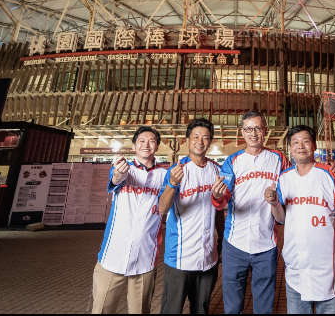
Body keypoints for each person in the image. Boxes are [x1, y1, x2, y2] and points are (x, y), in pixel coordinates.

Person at [265, 125, 335, 314]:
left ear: (314, 145)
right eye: (295, 142)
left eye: (305, 141)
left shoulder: (331, 175)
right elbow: (281, 219)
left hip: (329, 269)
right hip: (296, 270)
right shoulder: (284, 178)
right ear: (290, 148)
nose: (300, 146)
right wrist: (274, 203)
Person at [210, 110, 289, 314]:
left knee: (264, 305)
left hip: (267, 244)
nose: (253, 133)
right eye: (248, 129)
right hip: (235, 243)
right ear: (242, 133)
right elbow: (222, 199)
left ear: (265, 131)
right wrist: (218, 196)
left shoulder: (279, 159)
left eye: (257, 128)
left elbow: (293, 184)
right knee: (233, 305)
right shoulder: (232, 161)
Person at [91, 126, 166, 314]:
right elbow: (116, 179)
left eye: (151, 141)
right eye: (141, 140)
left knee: (141, 310)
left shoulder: (164, 176)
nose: (146, 145)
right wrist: (118, 173)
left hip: (145, 257)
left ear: (157, 146)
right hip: (112, 256)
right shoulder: (124, 168)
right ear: (134, 146)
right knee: (101, 309)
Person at [159, 118, 225, 314]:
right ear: (187, 141)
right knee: (172, 309)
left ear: (210, 142)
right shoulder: (177, 170)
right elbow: (162, 209)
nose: (200, 141)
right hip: (180, 256)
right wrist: (172, 183)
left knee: (201, 309)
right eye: (195, 136)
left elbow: (218, 211)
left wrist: (220, 240)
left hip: (208, 256)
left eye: (205, 137)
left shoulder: (216, 170)